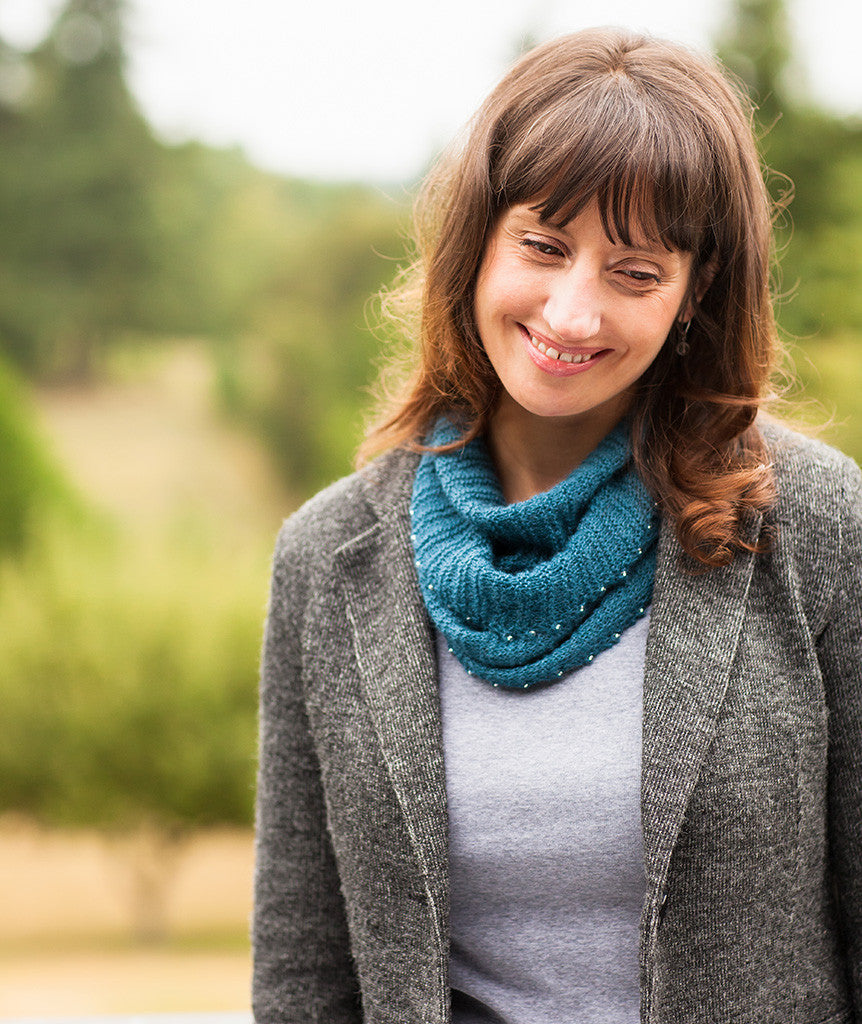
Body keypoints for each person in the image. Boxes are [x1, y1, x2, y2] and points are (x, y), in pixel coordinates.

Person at [252, 27, 862, 1024]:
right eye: (542, 246)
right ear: (477, 242)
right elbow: (302, 974)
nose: (572, 315)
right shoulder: (330, 558)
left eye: (635, 272)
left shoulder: (817, 527)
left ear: (696, 291)